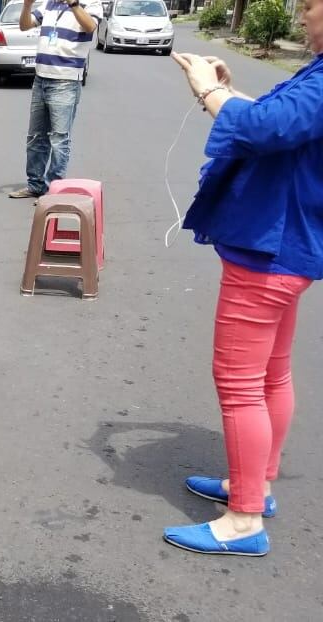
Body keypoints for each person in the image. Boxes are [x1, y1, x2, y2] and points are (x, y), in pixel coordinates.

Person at [162, 0, 323, 557]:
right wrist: (227, 95)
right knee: (272, 373)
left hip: (272, 249)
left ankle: (244, 519)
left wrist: (210, 92)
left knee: (238, 383)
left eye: (311, 6)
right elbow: (284, 127)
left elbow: (266, 129)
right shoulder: (316, 72)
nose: (303, 16)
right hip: (291, 245)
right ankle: (256, 485)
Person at [7, 0, 103, 200]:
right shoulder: (49, 4)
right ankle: (35, 185)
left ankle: (54, 191)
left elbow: (91, 27)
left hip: (66, 81)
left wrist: (74, 4)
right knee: (35, 137)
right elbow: (25, 25)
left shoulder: (91, 3)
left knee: (59, 139)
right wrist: (26, 6)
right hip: (41, 78)